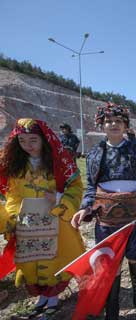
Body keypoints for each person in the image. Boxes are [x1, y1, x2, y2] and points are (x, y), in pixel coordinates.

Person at [71, 104, 136, 319]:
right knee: (111, 264)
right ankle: (112, 309)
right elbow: (91, 186)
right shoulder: (95, 154)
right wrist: (84, 208)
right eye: (109, 121)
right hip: (107, 220)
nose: (113, 125)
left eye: (118, 121)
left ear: (125, 125)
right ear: (102, 125)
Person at [0, 118, 84, 318]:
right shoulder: (16, 166)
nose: (28, 146)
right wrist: (13, 217)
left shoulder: (60, 162)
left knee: (55, 257)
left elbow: (76, 187)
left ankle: (53, 297)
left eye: (33, 140)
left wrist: (58, 198)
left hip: (56, 219)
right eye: (22, 141)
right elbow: (12, 195)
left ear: (44, 140)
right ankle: (42, 297)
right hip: (27, 222)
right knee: (31, 258)